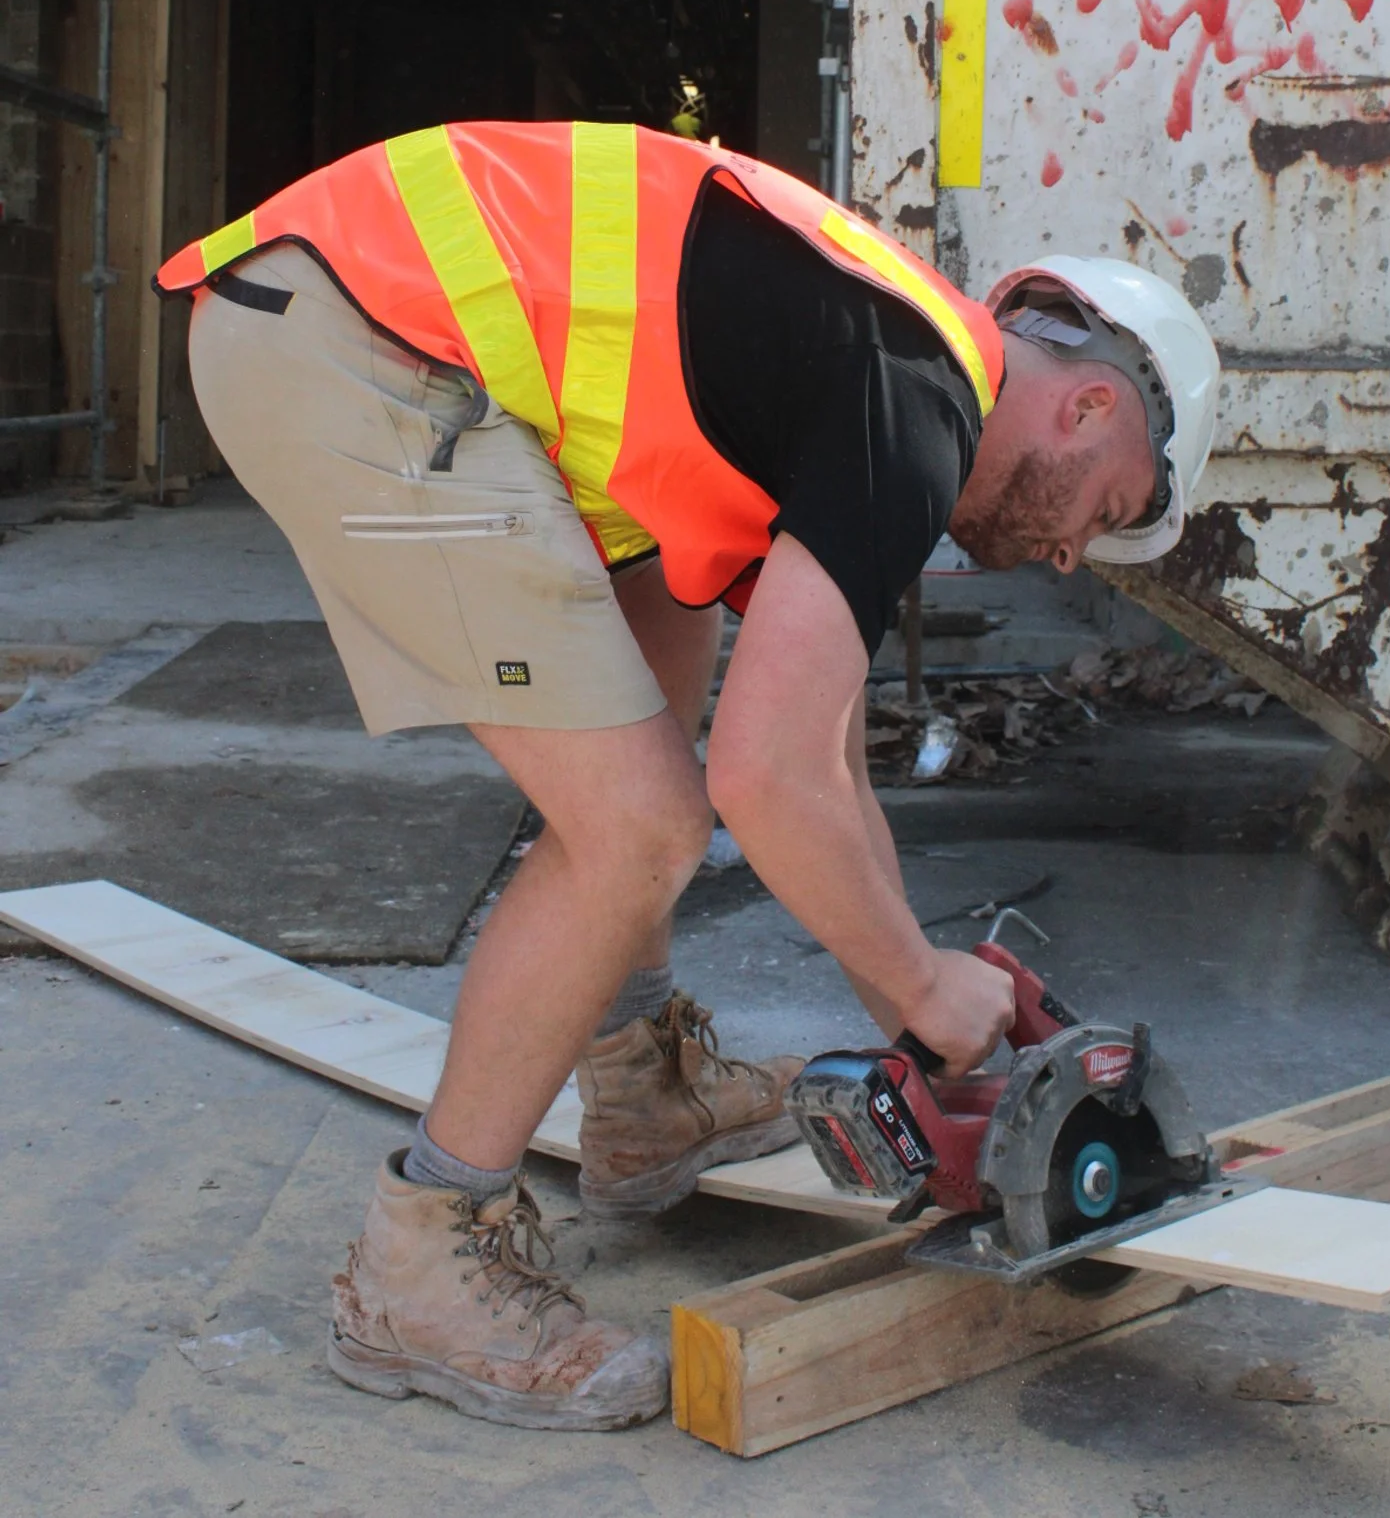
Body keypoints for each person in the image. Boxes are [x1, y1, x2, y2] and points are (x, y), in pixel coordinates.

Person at [156, 118, 1219, 1434]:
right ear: (1093, 403)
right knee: (640, 824)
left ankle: (643, 1094)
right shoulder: (920, 399)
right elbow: (762, 780)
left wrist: (921, 994)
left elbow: (820, 754)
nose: (1071, 556)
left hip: (367, 317)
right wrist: (917, 985)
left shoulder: (872, 355)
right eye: (1106, 510)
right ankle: (420, 1256)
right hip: (357, 329)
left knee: (680, 635)